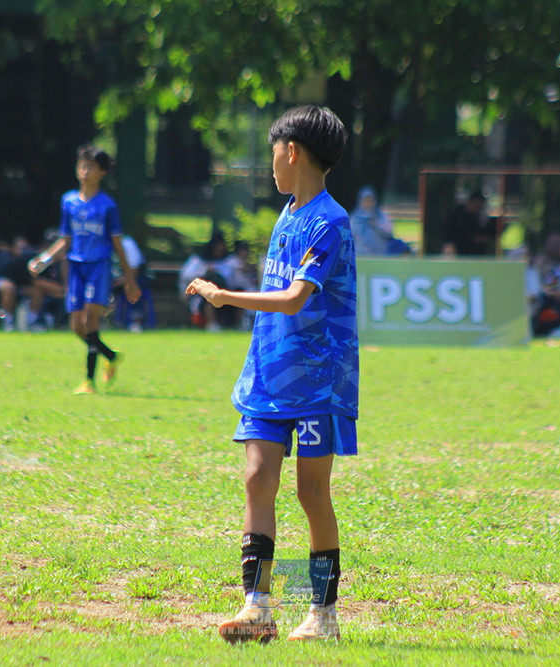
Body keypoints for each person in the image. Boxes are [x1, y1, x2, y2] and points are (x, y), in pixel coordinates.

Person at [186, 105, 356, 644]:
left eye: (272, 155)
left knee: (311, 493)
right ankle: (258, 605)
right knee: (258, 479)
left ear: (291, 152)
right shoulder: (287, 212)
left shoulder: (330, 221)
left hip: (315, 382)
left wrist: (221, 295)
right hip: (267, 375)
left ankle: (320, 613)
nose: (271, 167)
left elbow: (292, 297)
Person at [29, 145, 140, 394]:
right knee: (76, 326)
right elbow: (65, 239)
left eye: (90, 167)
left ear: (102, 172)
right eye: (82, 166)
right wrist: (45, 259)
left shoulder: (107, 206)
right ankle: (110, 355)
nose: (84, 171)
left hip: (98, 267)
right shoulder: (68, 201)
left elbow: (117, 243)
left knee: (90, 320)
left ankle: (89, 381)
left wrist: (130, 278)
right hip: (76, 267)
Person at [178, 232, 235, 331]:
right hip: (200, 294)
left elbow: (231, 278)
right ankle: (211, 323)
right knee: (210, 298)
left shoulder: (227, 261)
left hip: (225, 291)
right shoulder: (198, 260)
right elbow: (187, 276)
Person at [349, 186, 410, 256]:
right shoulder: (354, 218)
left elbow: (389, 232)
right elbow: (350, 236)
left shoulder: (381, 215)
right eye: (365, 201)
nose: (368, 204)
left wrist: (376, 225)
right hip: (361, 254)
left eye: (370, 201)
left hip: (380, 254)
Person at [442, 190, 493, 256]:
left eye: (480, 207)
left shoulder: (475, 217)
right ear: (471, 202)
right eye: (477, 205)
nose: (478, 209)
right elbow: (463, 235)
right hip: (457, 251)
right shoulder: (457, 216)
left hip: (471, 254)